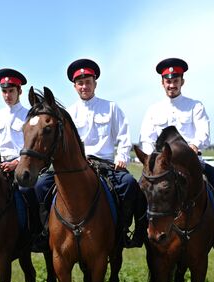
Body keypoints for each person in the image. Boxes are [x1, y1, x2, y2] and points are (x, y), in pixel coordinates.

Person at [34, 58, 148, 248]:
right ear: (75, 86)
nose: (84, 86)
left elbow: (123, 135)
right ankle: (46, 233)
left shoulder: (111, 107)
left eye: (88, 82)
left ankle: (123, 230)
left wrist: (121, 157)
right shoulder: (68, 113)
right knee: (40, 186)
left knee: (129, 184)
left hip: (105, 164)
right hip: (75, 165)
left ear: (95, 83)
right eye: (80, 83)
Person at [139, 57, 214, 251]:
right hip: (161, 167)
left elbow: (203, 133)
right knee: (141, 191)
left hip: (191, 164)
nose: (171, 85)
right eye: (168, 81)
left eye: (175, 80)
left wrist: (194, 146)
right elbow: (146, 137)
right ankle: (142, 231)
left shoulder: (195, 106)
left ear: (182, 81)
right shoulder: (154, 109)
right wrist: (150, 159)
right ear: (162, 83)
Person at [0, 68, 43, 249]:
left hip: (22, 165)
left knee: (29, 191)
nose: (7, 95)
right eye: (4, 91)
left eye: (11, 91)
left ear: (19, 91)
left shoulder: (29, 114)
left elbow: (33, 145)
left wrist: (16, 162)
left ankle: (36, 232)